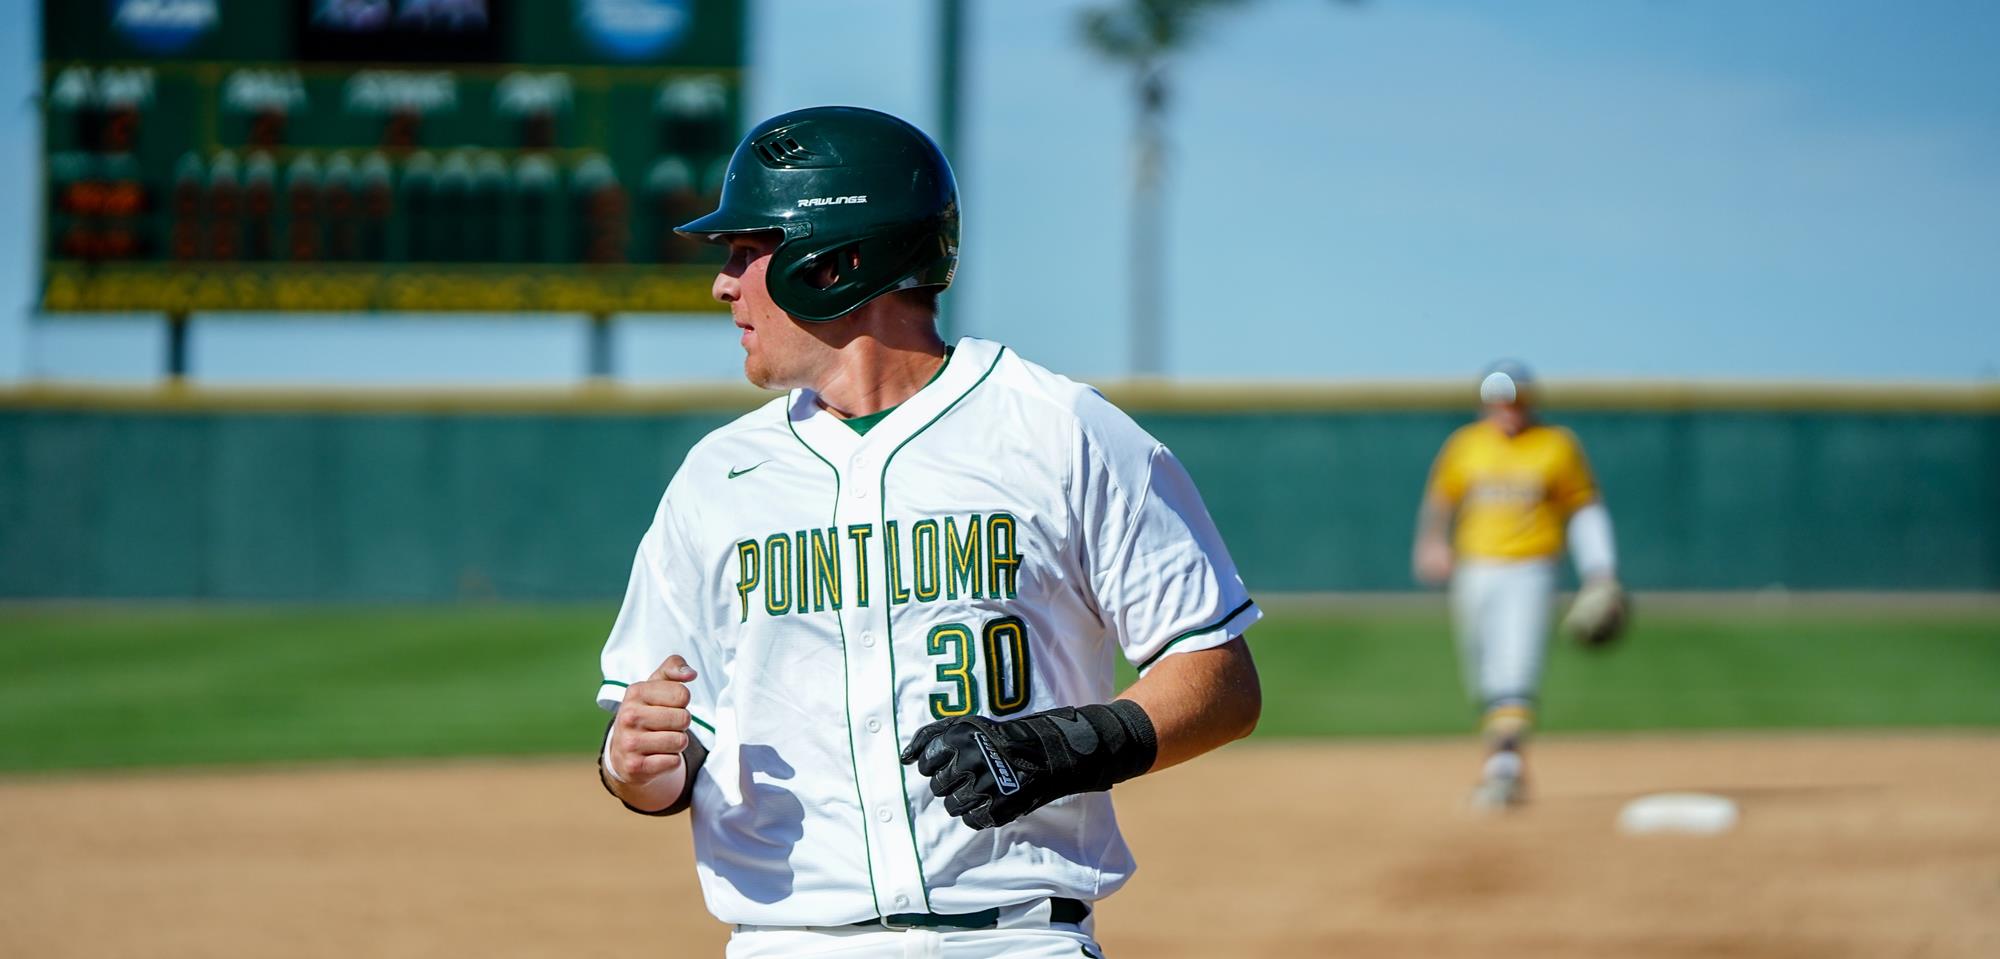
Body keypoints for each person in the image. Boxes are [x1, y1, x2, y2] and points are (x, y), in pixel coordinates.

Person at [594, 105, 1263, 958]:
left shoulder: (1060, 430)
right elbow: (664, 754)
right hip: (787, 943)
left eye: (746, 250)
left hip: (1019, 942)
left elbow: (1220, 680)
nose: (723, 285)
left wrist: (1060, 746)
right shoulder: (716, 479)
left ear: (831, 263)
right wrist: (636, 765)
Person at [1412, 361, 1621, 809]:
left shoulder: (1555, 445)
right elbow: (1442, 497)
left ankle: (1503, 768)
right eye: (1500, 400)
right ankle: (1503, 757)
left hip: (1531, 568)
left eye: (1516, 400)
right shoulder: (1467, 444)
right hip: (1475, 568)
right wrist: (1431, 542)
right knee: (1482, 668)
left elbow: (1584, 508)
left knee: (1515, 664)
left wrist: (1600, 570)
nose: (1508, 408)